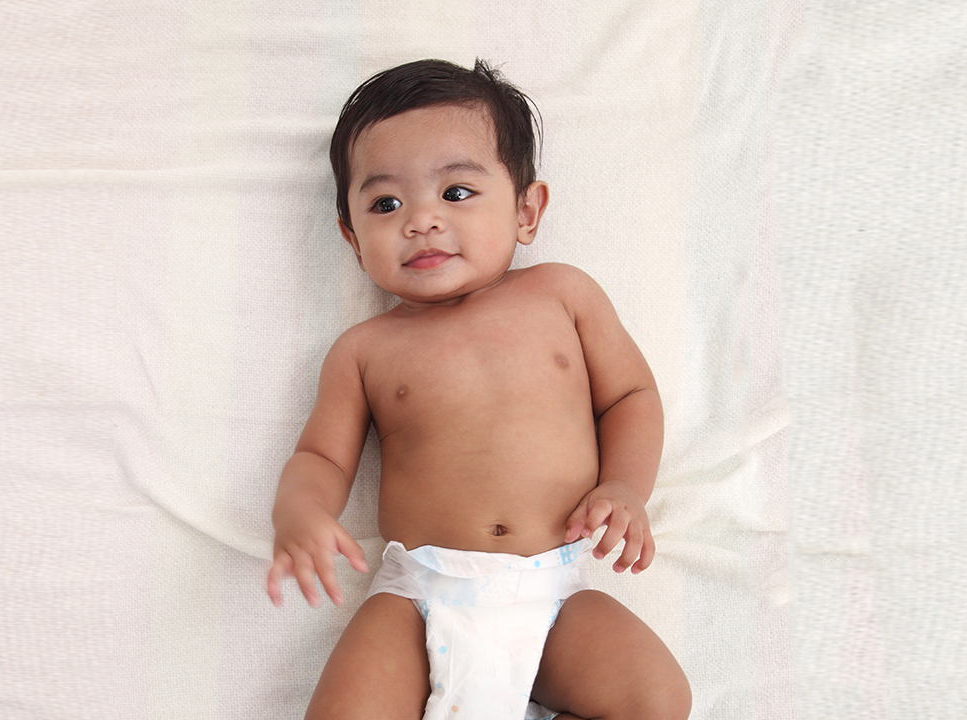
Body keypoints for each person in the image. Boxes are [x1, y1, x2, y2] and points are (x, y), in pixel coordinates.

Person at [266, 58, 691, 720]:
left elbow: (630, 397)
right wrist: (299, 511)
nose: (422, 220)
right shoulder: (364, 350)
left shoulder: (562, 295)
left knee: (659, 698)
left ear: (527, 210)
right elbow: (320, 457)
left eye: (456, 192)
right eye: (385, 204)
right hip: (416, 598)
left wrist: (625, 486)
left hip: (551, 593)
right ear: (352, 238)